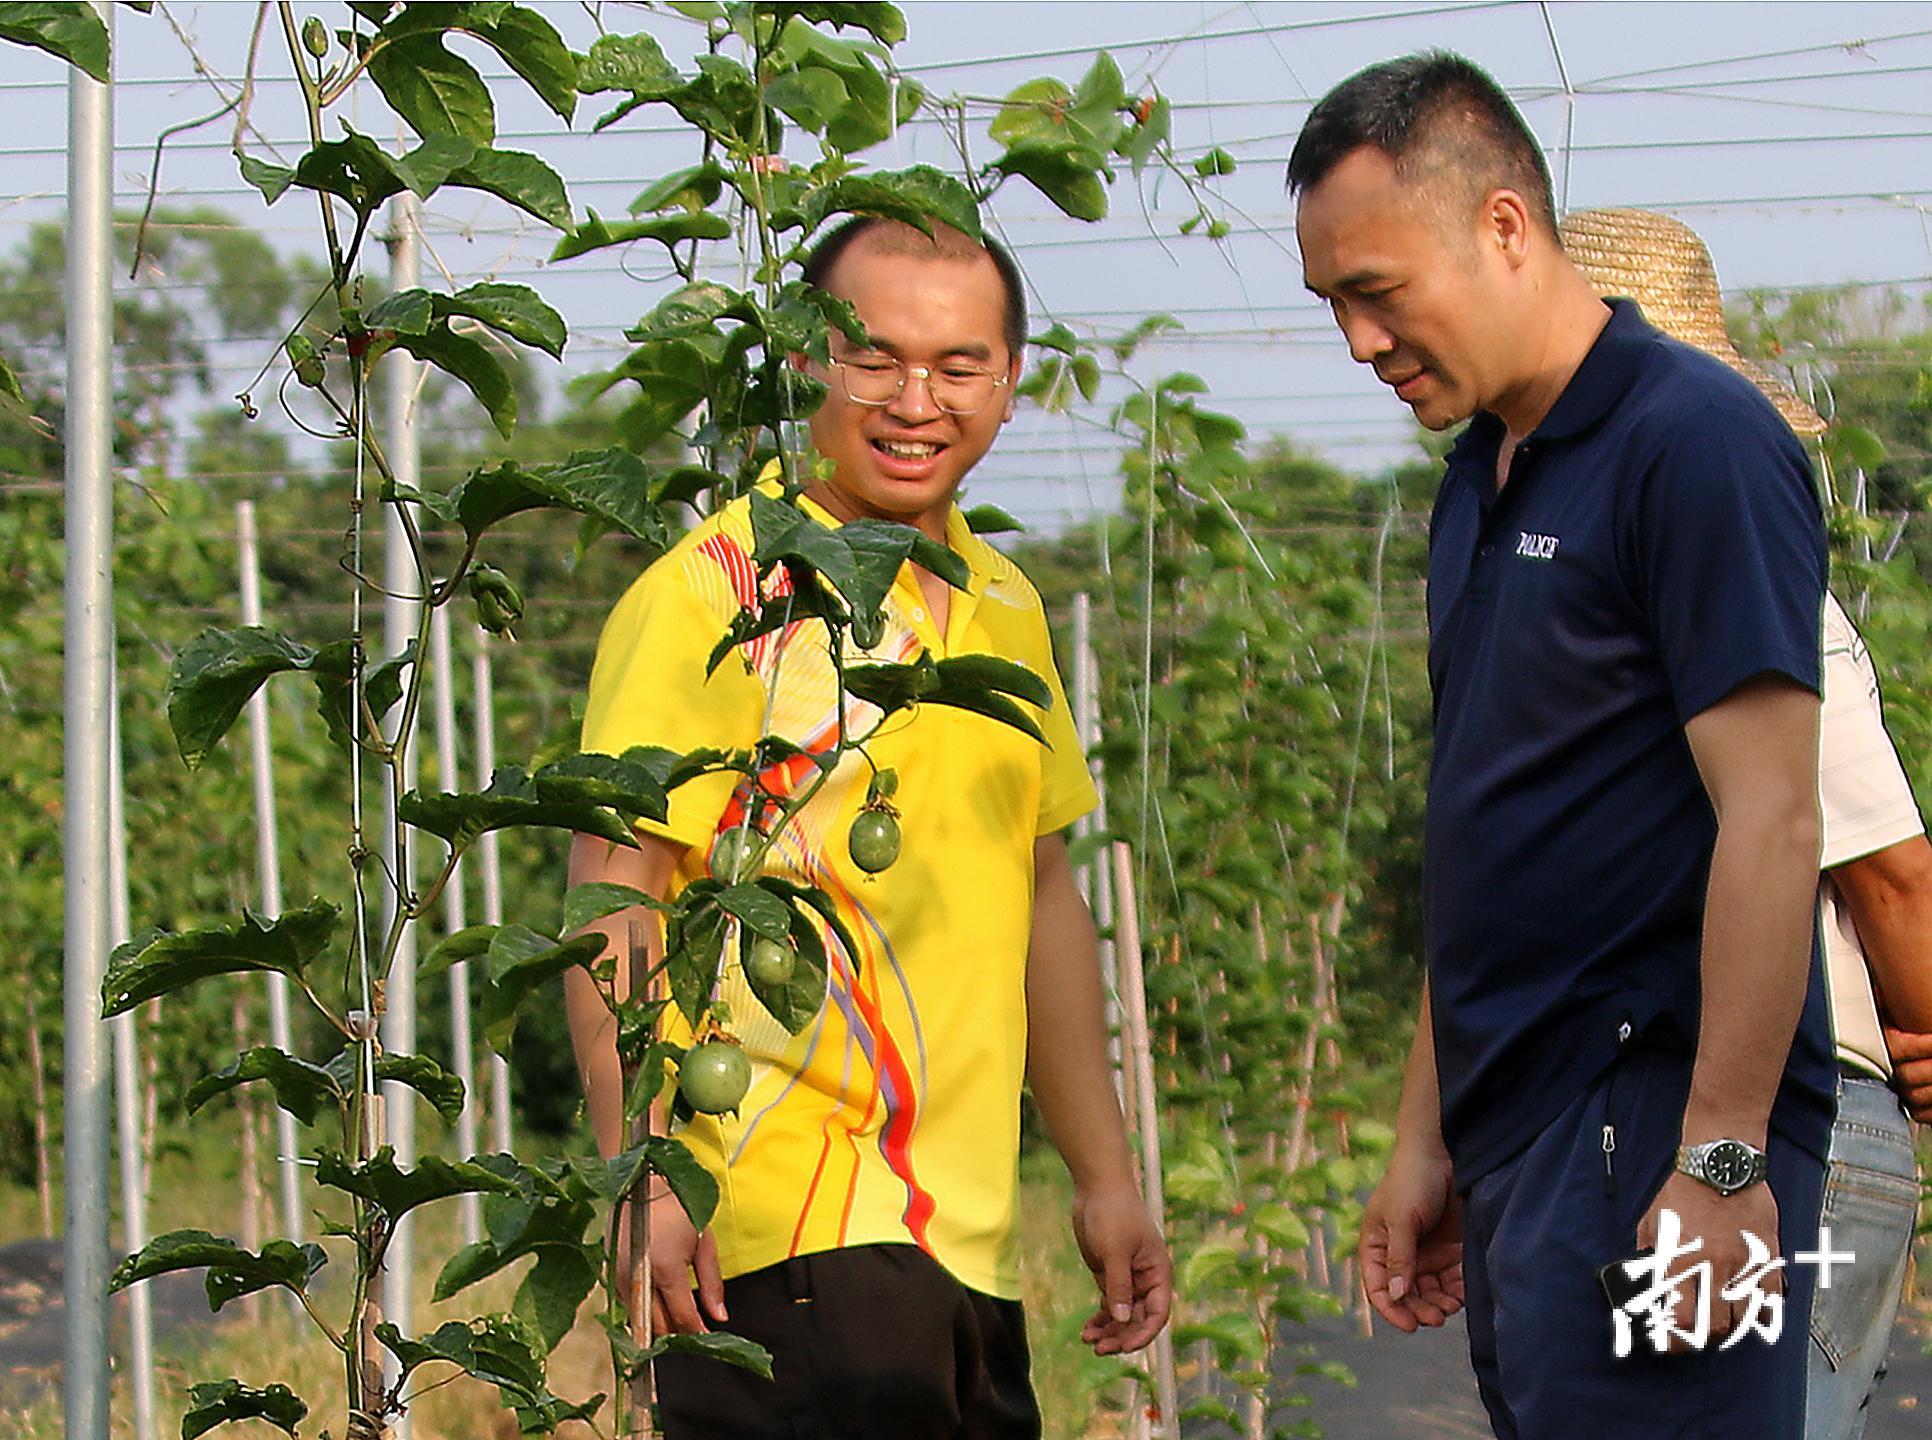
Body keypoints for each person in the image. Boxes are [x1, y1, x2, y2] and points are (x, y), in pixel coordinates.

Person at [1291, 52, 1837, 1437]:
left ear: (1504, 227)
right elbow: (1490, 826)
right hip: (1523, 1138)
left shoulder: (1692, 443)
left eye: (1376, 289)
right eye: (1332, 304)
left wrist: (1720, 1158)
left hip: (1652, 1123)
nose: (1359, 340)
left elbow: (1773, 819)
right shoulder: (1481, 476)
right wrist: (1427, 1139)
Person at [565, 215, 1172, 1439]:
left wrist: (1105, 1177)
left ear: (1009, 377)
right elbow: (615, 889)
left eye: (959, 366)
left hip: (962, 1237)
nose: (916, 401)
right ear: (805, 365)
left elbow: (1042, 896)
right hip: (783, 1222)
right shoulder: (717, 593)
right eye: (874, 358)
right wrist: (642, 1168)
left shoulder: (1000, 604)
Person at [1558, 206, 1932, 1440]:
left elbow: (1885, 878)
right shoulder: (1627, 588)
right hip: (1679, 1122)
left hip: (1779, 1124)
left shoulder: (1742, 586)